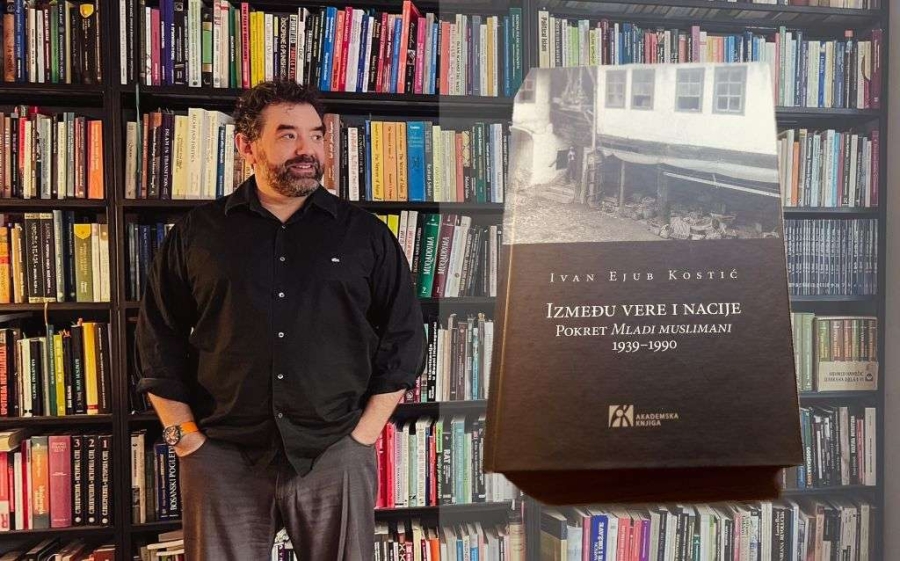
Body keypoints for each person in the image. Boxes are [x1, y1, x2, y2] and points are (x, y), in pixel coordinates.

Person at [134, 80, 426, 560]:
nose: (307, 149)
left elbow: (404, 338)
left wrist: (362, 438)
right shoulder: (196, 235)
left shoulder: (365, 235)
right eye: (288, 135)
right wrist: (185, 440)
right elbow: (157, 341)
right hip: (222, 456)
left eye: (316, 135)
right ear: (247, 146)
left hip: (335, 452)